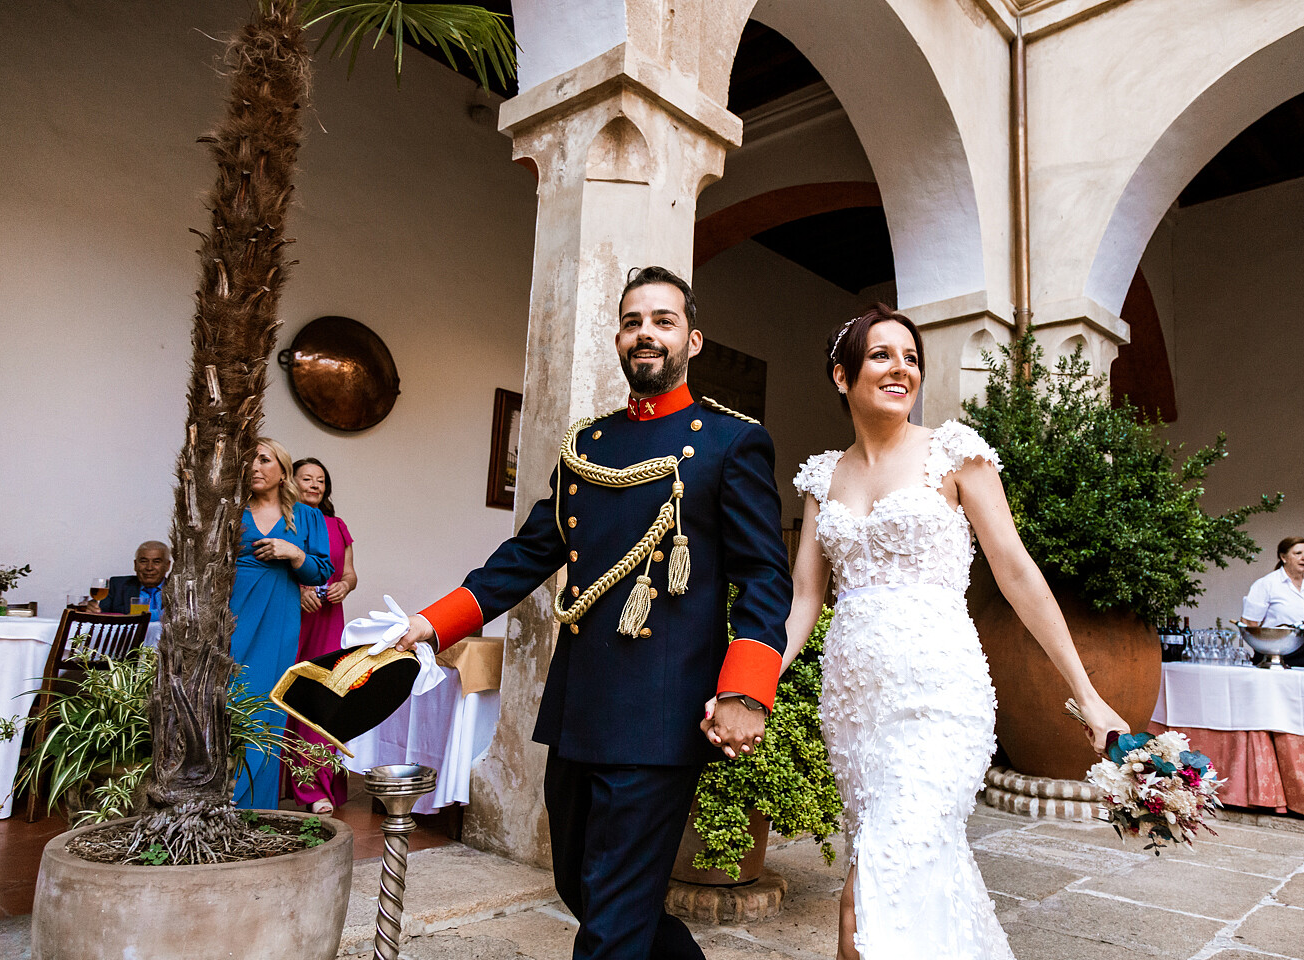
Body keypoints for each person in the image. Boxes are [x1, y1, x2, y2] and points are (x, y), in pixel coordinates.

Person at [396, 266, 791, 960]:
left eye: (663, 321)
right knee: (588, 889)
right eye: (634, 321)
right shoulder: (589, 447)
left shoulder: (731, 444)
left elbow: (764, 577)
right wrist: (438, 620)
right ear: (617, 338)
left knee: (609, 921)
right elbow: (528, 554)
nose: (647, 333)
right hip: (582, 705)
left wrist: (744, 691)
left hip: (663, 714)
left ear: (692, 340)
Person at [779, 306, 1129, 960]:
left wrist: (1089, 692)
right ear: (841, 375)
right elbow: (804, 600)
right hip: (854, 712)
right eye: (881, 355)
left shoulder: (956, 454)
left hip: (940, 701)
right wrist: (753, 681)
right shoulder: (823, 478)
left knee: (868, 898)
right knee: (918, 887)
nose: (900, 368)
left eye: (911, 357)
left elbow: (1018, 574)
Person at [231, 437, 332, 809]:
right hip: (233, 615)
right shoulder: (231, 510)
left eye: (264, 459)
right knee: (228, 700)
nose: (255, 466)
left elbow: (322, 569)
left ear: (283, 471)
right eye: (249, 460)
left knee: (267, 706)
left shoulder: (308, 516)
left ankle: (255, 807)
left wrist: (294, 553)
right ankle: (218, 800)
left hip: (279, 618)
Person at [286, 456, 357, 814]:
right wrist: (298, 591)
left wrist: (344, 586)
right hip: (289, 616)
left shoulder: (337, 524)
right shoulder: (281, 520)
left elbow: (350, 574)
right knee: (279, 695)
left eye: (320, 480)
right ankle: (268, 783)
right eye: (306, 479)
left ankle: (313, 788)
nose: (314, 485)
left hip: (328, 618)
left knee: (319, 698)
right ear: (290, 481)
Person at [1242, 537, 1304, 668]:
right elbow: (1249, 623)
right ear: (1283, 557)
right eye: (1298, 553)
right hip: (1277, 654)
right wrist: (1268, 651)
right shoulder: (1267, 584)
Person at [88, 541, 170, 617]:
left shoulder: (179, 590)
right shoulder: (117, 585)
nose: (149, 568)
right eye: (143, 561)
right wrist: (90, 607)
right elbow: (97, 611)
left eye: (156, 562)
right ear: (135, 565)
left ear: (167, 565)